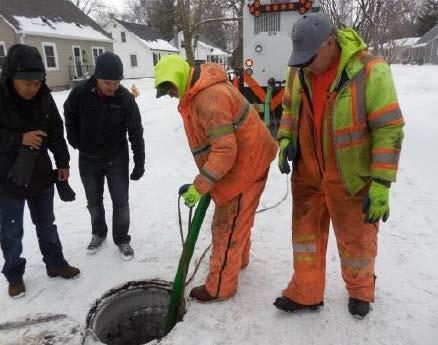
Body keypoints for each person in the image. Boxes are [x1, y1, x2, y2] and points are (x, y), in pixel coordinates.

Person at [274, 13, 404, 318]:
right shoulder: (299, 70)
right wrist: (284, 139)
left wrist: (382, 183)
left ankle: (360, 292)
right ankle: (305, 293)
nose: (306, 65)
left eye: (311, 57)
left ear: (330, 43)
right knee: (305, 238)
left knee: (356, 242)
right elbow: (290, 108)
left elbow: (389, 129)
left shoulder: (371, 71)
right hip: (307, 173)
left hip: (350, 177)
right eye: (301, 59)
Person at [154, 55, 278, 302]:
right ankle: (238, 261)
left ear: (179, 78)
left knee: (225, 226)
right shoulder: (198, 93)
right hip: (247, 161)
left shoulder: (209, 98)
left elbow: (224, 150)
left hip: (246, 168)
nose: (171, 95)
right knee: (238, 220)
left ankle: (220, 287)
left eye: (170, 89)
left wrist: (200, 186)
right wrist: (203, 182)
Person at [0, 44, 80, 298]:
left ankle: (55, 263)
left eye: (37, 82)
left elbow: (56, 132)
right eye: (26, 82)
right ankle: (14, 274)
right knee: (11, 230)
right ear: (11, 76)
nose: (32, 88)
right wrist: (18, 139)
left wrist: (63, 163)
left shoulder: (44, 98)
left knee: (47, 224)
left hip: (40, 173)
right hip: (8, 177)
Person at [64, 52, 145, 260]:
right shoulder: (80, 93)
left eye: (117, 82)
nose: (112, 87)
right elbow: (69, 114)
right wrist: (74, 140)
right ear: (96, 77)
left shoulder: (125, 99)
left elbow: (136, 131)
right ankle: (99, 233)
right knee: (93, 201)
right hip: (88, 158)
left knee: (121, 201)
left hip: (116, 158)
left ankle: (122, 239)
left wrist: (139, 161)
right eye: (107, 82)